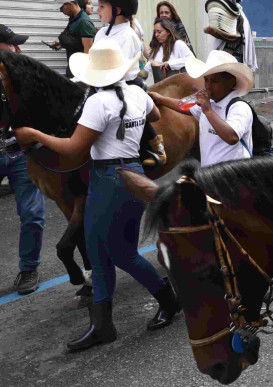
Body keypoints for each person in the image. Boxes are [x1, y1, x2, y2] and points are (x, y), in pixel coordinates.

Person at [13, 39, 181, 351]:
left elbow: (73, 148)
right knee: (99, 251)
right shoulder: (137, 93)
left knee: (120, 253)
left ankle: (168, 299)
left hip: (109, 178)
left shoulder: (98, 102)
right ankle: (103, 325)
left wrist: (35, 134)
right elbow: (155, 116)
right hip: (131, 173)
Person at [89, 0, 162, 166]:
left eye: (102, 7)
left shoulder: (128, 35)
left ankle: (156, 147)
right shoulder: (101, 33)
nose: (97, 11)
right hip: (101, 82)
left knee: (134, 112)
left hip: (126, 83)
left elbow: (121, 70)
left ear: (118, 10)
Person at [149, 51, 254, 166]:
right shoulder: (211, 103)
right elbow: (183, 106)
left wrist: (208, 111)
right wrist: (160, 98)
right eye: (206, 80)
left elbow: (232, 137)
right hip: (210, 172)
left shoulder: (239, 107)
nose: (208, 86)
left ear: (230, 82)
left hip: (233, 174)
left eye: (214, 81)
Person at [0, 23, 44, 295]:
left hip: (20, 154)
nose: (17, 49)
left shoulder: (24, 72)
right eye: (11, 44)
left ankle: (29, 269)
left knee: (31, 213)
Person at [208, 0, 258, 71]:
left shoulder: (237, 13)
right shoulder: (236, 12)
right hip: (228, 58)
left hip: (231, 59)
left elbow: (229, 35)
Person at [51, 0, 95, 77]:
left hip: (79, 72)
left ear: (70, 4)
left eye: (61, 8)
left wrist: (84, 75)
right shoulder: (73, 19)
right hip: (72, 68)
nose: (61, 11)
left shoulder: (84, 22)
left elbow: (88, 51)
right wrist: (60, 44)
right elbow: (75, 39)